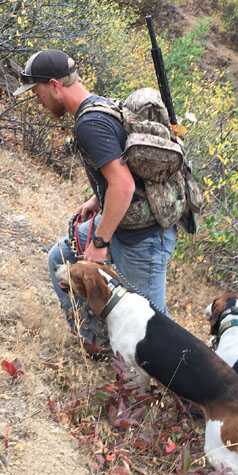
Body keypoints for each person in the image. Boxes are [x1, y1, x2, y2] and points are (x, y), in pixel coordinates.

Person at [13, 48, 177, 357]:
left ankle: (174, 395)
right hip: (126, 223)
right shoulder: (102, 106)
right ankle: (100, 346)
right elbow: (122, 169)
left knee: (155, 328)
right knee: (61, 257)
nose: (37, 100)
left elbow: (124, 185)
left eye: (37, 91)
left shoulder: (90, 124)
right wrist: (96, 199)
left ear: (54, 85)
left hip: (143, 238)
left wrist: (100, 242)